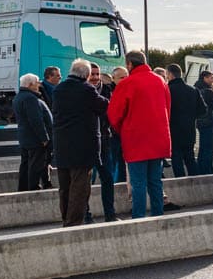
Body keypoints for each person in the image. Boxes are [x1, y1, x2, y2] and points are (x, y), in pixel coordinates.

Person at [108, 50, 171, 218]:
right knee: (155, 181)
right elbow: (167, 109)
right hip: (158, 138)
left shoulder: (127, 83)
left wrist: (122, 129)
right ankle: (158, 214)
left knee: (138, 183)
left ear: (129, 64)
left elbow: (114, 114)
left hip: (136, 139)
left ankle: (139, 217)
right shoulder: (160, 81)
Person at [50, 60, 107, 228]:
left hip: (62, 145)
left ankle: (65, 218)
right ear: (87, 75)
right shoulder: (87, 89)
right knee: (80, 187)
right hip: (82, 146)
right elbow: (103, 106)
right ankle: (74, 223)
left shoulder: (58, 89)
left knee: (65, 186)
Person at [13, 73, 55, 191]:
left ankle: (23, 188)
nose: (39, 84)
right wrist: (44, 138)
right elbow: (36, 120)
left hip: (25, 137)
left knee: (26, 164)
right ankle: (33, 187)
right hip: (35, 139)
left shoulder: (19, 97)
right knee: (36, 164)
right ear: (31, 84)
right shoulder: (30, 98)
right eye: (37, 82)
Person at [89, 65, 120, 222]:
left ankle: (110, 214)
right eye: (91, 74)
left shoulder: (108, 90)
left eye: (97, 74)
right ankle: (86, 215)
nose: (95, 77)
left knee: (107, 178)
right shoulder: (83, 92)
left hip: (105, 141)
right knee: (86, 181)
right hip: (87, 143)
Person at [193, 69, 213, 174]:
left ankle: (200, 169)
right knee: (208, 149)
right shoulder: (207, 91)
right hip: (208, 123)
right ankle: (206, 170)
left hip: (200, 122)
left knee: (202, 148)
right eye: (211, 78)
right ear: (205, 78)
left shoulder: (196, 89)